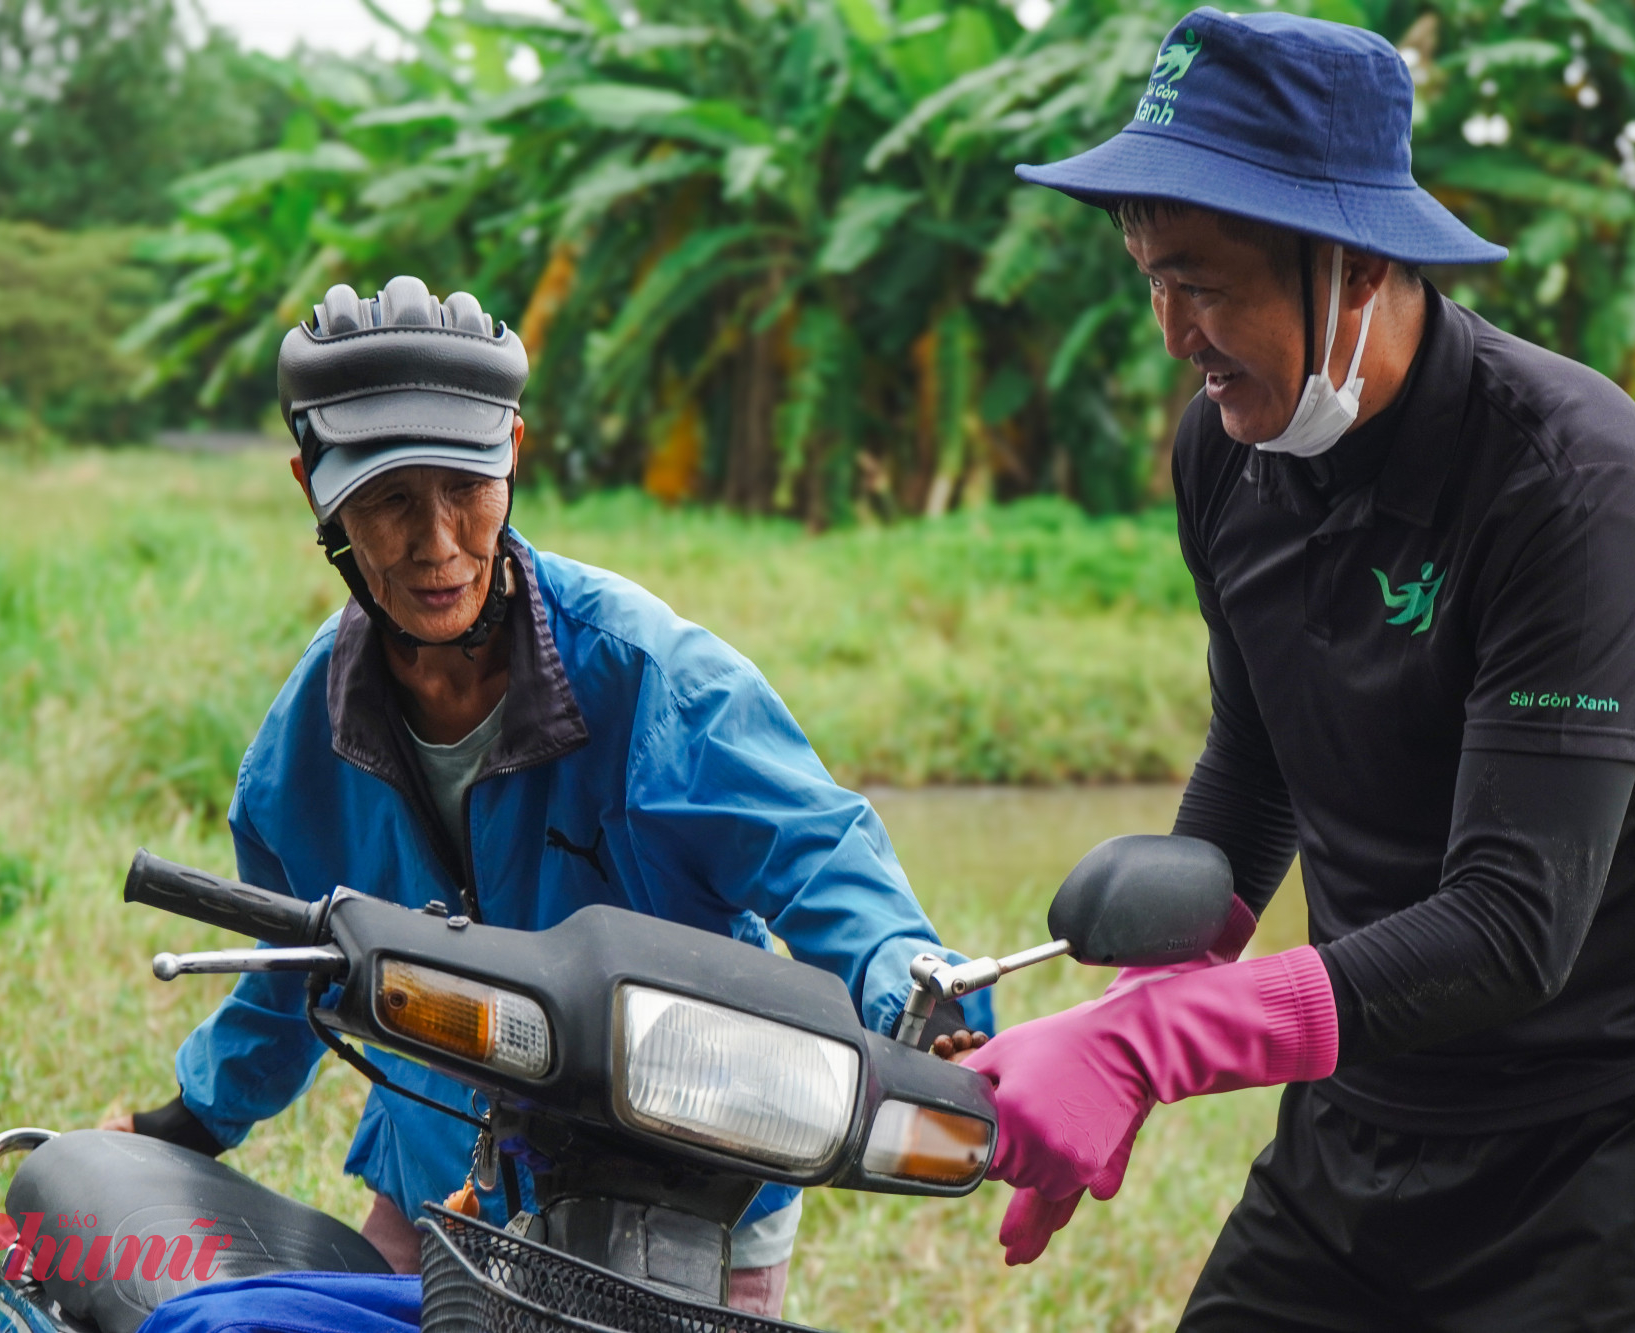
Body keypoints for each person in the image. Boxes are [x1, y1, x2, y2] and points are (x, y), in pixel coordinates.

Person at [961, 11, 1635, 1330]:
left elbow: (1519, 923)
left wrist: (1153, 1050)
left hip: (1610, 1125)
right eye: (1150, 278)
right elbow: (1259, 752)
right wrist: (1148, 991)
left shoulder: (1569, 481)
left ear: (1350, 265)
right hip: (1367, 1101)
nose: (1174, 330)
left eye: (1205, 281)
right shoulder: (1226, 451)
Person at [103, 275, 988, 1317]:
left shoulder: (652, 677)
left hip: (683, 1174)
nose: (437, 544)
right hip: (438, 1160)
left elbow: (820, 853)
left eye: (464, 488)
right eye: (389, 499)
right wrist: (189, 1120)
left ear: (511, 457)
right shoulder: (304, 747)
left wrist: (916, 997)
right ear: (316, 492)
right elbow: (298, 968)